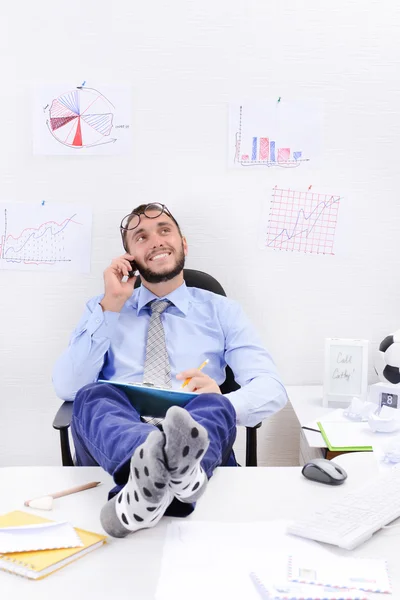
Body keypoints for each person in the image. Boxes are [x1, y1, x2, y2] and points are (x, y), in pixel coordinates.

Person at [52, 202, 287, 538]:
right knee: (92, 394)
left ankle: (159, 483)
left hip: (195, 429)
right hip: (120, 434)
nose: (156, 240)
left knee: (216, 404)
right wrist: (111, 305)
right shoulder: (104, 308)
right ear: (129, 257)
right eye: (141, 236)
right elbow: (67, 386)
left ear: (183, 244)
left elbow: (271, 387)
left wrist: (221, 399)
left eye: (164, 230)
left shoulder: (223, 312)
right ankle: (163, 471)